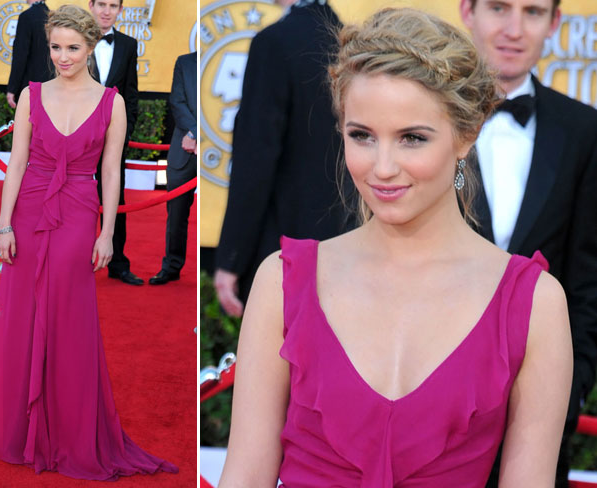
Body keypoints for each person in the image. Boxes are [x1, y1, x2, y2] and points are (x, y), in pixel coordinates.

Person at [218, 8, 572, 487]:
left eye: (412, 138)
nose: (382, 168)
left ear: (466, 135)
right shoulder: (282, 281)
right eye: (362, 136)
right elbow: (245, 475)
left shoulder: (533, 304)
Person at [0, 6, 178, 480]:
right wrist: (4, 224)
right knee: (22, 315)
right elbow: (17, 163)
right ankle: (21, 430)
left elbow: (111, 172)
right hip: (29, 209)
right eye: (56, 47)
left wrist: (107, 232)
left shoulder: (112, 102)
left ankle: (68, 431)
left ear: (91, 46)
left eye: (72, 47)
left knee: (69, 318)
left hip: (77, 211)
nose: (63, 56)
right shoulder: (31, 95)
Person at [458, 1, 597, 485]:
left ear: (555, 22)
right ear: (467, 10)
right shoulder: (422, 123)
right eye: (499, 7)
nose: (514, 29)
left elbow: (587, 280)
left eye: (533, 12)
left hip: (539, 417)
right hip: (432, 416)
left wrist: (568, 391)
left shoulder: (584, 131)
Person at [213, 0, 355, 317]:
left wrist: (233, 258)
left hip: (284, 252)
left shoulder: (274, 43)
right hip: (348, 247)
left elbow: (255, 160)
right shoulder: (348, 43)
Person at [88, 0, 142, 286]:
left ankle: (118, 263)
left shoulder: (128, 45)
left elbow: (131, 93)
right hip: (78, 136)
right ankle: (76, 257)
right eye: (102, 4)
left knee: (115, 199)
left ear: (120, 10)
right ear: (91, 5)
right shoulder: (75, 40)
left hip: (113, 138)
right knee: (76, 197)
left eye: (113, 5)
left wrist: (124, 133)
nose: (106, 11)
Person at [150, 51, 197, 285]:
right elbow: (177, 101)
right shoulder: (184, 62)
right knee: (176, 212)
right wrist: (194, 132)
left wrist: (198, 134)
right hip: (184, 147)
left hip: (216, 147)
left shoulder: (225, 56)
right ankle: (171, 266)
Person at [6, 0, 52, 109]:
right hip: (51, 86)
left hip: (30, 87)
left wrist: (12, 88)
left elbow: (20, 55)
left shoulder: (26, 17)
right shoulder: (52, 17)